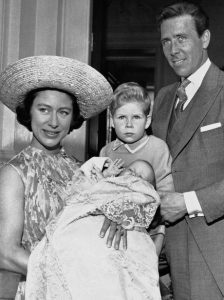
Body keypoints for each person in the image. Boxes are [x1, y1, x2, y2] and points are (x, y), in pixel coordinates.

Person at [0, 55, 112, 299]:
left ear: (73, 118)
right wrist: (67, 273)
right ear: (28, 112)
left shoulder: (81, 170)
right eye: (43, 109)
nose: (53, 122)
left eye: (63, 112)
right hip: (34, 289)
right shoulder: (13, 173)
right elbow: (6, 252)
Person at [151, 1, 224, 299]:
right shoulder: (165, 98)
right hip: (168, 254)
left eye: (182, 38)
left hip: (215, 256)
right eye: (166, 41)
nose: (173, 50)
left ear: (204, 39)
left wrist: (188, 202)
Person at [25, 158, 162, 299]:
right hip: (83, 225)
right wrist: (105, 179)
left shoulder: (142, 193)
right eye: (131, 171)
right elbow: (86, 192)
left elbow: (147, 203)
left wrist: (124, 211)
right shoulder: (107, 181)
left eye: (142, 178)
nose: (134, 177)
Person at [99, 82, 174, 249]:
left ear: (147, 121)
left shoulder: (157, 147)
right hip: (111, 229)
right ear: (112, 120)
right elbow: (96, 191)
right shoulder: (107, 151)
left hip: (149, 229)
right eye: (121, 117)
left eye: (136, 117)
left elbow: (166, 192)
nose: (129, 124)